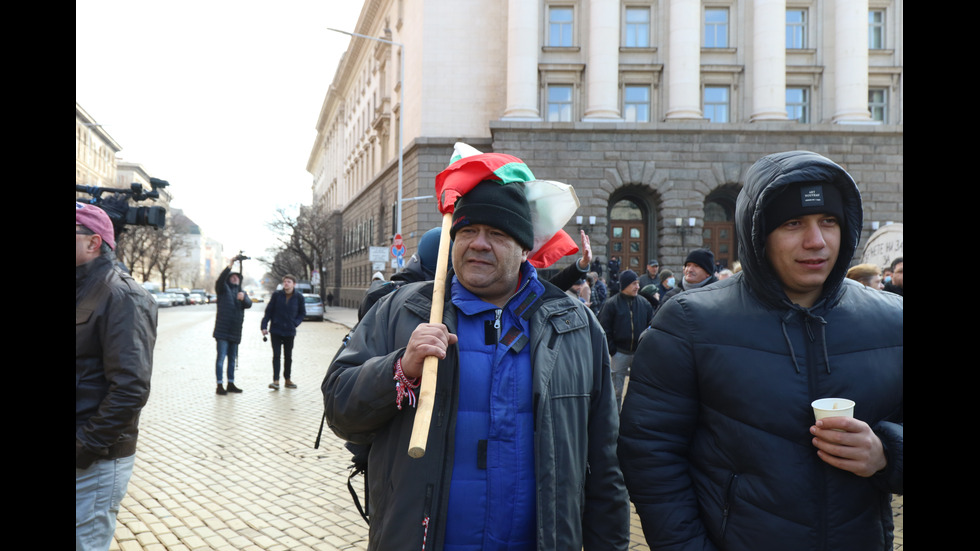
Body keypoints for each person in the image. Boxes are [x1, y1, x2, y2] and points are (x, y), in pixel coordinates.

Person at [323, 175, 629, 550]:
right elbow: (340, 409)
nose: (479, 244)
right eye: (468, 231)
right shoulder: (402, 312)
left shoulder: (575, 328)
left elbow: (605, 466)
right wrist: (400, 369)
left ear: (523, 249)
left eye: (497, 234)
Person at [618, 151, 903, 550]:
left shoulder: (893, 320)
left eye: (829, 221)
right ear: (758, 234)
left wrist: (887, 454)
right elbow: (650, 457)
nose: (816, 241)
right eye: (793, 223)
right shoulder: (688, 322)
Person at [76, 202, 156, 550]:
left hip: (95, 460)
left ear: (93, 243)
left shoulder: (122, 294)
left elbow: (130, 388)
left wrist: (84, 448)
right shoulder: (83, 289)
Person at [597, 269, 653, 410]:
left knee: (639, 389)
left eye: (638, 283)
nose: (637, 287)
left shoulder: (644, 304)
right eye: (634, 283)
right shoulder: (611, 304)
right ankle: (615, 419)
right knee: (616, 390)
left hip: (639, 354)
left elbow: (650, 327)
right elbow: (604, 328)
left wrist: (645, 348)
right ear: (625, 285)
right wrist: (612, 350)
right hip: (619, 353)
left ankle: (634, 416)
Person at [213, 256, 252, 394]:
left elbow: (248, 304)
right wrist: (230, 265)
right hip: (222, 332)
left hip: (235, 332)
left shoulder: (241, 292)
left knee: (232, 360)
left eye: (237, 277)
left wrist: (244, 299)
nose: (235, 278)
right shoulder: (223, 290)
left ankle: (231, 383)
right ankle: (219, 385)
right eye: (233, 276)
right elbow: (220, 280)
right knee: (221, 359)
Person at [261, 274, 306, 390]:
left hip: (290, 331)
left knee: (288, 356)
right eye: (285, 282)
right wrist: (264, 325)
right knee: (276, 356)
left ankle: (287, 379)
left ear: (293, 284)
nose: (286, 283)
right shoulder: (277, 295)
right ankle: (275, 381)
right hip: (276, 329)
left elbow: (302, 313)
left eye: (289, 282)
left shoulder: (299, 297)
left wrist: (295, 323)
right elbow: (269, 311)